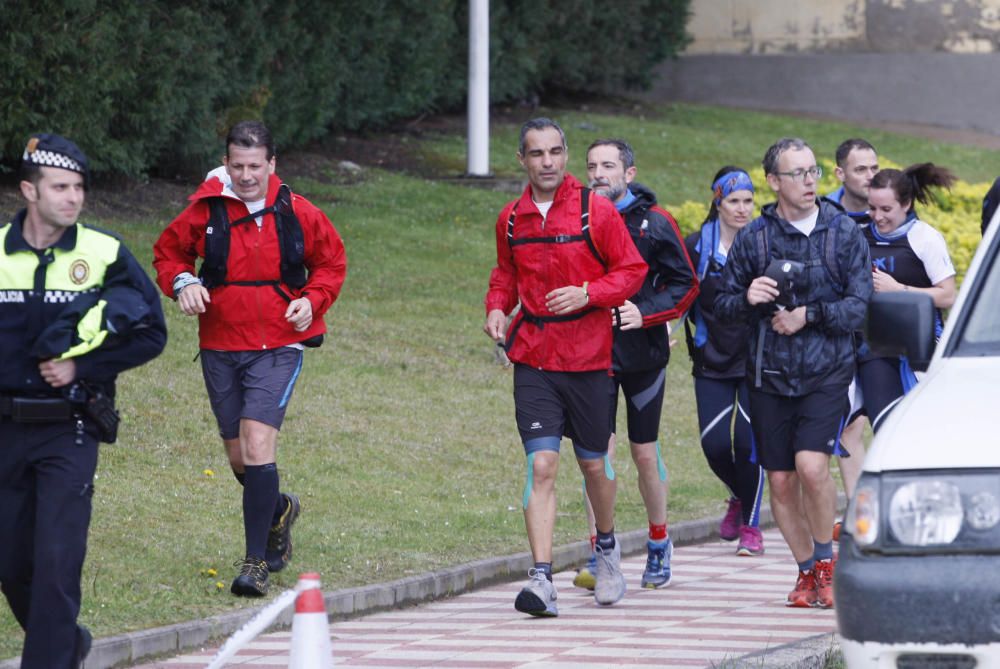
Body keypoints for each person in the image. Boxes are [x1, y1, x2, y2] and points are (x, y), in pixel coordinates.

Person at [153, 121, 347, 597]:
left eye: (254, 166)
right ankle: (279, 508)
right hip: (220, 343)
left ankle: (255, 563)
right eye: (236, 166)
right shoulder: (206, 210)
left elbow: (331, 263)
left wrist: (313, 299)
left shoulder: (298, 211)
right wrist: (184, 284)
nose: (245, 176)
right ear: (226, 163)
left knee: (258, 443)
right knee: (239, 456)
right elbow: (168, 254)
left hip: (280, 342)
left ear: (272, 164)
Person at [0, 133, 167, 667]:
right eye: (60, 187)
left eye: (78, 187)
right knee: (10, 563)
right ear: (29, 189)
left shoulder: (105, 252)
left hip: (68, 427)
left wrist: (81, 366)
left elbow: (151, 333)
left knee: (56, 562)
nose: (73, 198)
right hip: (4, 431)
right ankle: (67, 646)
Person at [484, 118, 647, 617]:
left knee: (594, 464)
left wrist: (588, 293)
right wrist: (496, 305)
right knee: (542, 464)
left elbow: (632, 270)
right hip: (533, 356)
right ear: (522, 160)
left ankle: (606, 547)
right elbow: (506, 272)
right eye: (537, 154)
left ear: (565, 156)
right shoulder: (512, 219)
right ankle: (541, 578)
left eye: (555, 152)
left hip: (590, 357)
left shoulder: (593, 212)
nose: (548, 162)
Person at [714, 137, 873, 610]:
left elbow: (860, 306)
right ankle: (806, 570)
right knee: (781, 481)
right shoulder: (754, 238)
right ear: (773, 181)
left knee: (811, 467)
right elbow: (721, 306)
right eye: (797, 174)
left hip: (827, 371)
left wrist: (809, 315)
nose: (808, 182)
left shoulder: (842, 232)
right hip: (768, 375)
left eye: (813, 172)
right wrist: (749, 298)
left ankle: (827, 565)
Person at [569, 139, 698, 592]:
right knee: (594, 455)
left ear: (629, 171)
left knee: (644, 452)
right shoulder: (577, 218)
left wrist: (647, 313)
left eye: (608, 165)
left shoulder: (656, 222)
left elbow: (687, 284)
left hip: (644, 355)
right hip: (592, 355)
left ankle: (659, 542)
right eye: (591, 166)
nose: (599, 174)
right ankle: (599, 550)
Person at [684, 166, 765, 556]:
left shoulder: (764, 243)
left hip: (755, 360)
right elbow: (679, 292)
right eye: (734, 201)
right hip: (711, 358)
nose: (742, 208)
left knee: (748, 444)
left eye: (748, 201)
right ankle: (736, 493)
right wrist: (665, 325)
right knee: (715, 446)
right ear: (717, 201)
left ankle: (751, 525)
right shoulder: (697, 245)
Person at [861, 164, 957, 430]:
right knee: (885, 430)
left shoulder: (925, 239)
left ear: (906, 204)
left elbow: (948, 296)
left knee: (925, 430)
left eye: (886, 209)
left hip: (921, 348)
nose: (877, 216)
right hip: (875, 349)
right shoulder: (859, 237)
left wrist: (898, 290)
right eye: (872, 208)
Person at [826, 139, 879, 526]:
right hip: (838, 333)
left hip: (885, 336)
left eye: (874, 168)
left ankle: (866, 515)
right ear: (840, 174)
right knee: (848, 427)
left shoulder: (892, 210)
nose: (870, 176)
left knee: (871, 425)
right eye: (861, 169)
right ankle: (861, 516)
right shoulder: (824, 214)